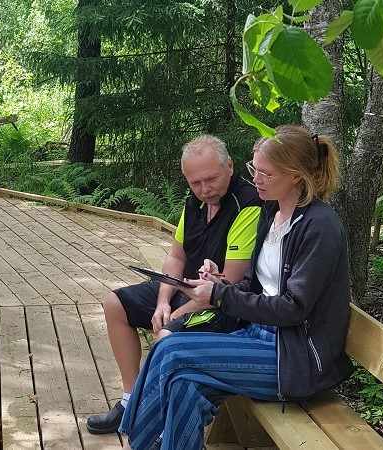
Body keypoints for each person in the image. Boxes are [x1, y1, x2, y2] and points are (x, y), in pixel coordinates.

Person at [118, 125, 355, 450]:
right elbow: (251, 286)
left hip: (292, 357)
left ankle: (139, 442)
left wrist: (218, 295)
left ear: (296, 176)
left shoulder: (320, 227)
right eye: (253, 170)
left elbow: (292, 309)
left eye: (266, 174)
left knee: (171, 350)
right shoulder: (271, 213)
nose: (256, 179)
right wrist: (219, 281)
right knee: (183, 384)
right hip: (256, 337)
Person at [86, 135, 262, 435]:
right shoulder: (194, 202)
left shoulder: (248, 205)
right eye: (195, 183)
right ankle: (130, 401)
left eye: (211, 179)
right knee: (115, 304)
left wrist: (176, 316)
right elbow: (175, 256)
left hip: (221, 305)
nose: (205, 190)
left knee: (167, 337)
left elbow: (229, 285)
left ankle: (160, 425)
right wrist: (163, 302)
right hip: (185, 289)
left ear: (230, 166)